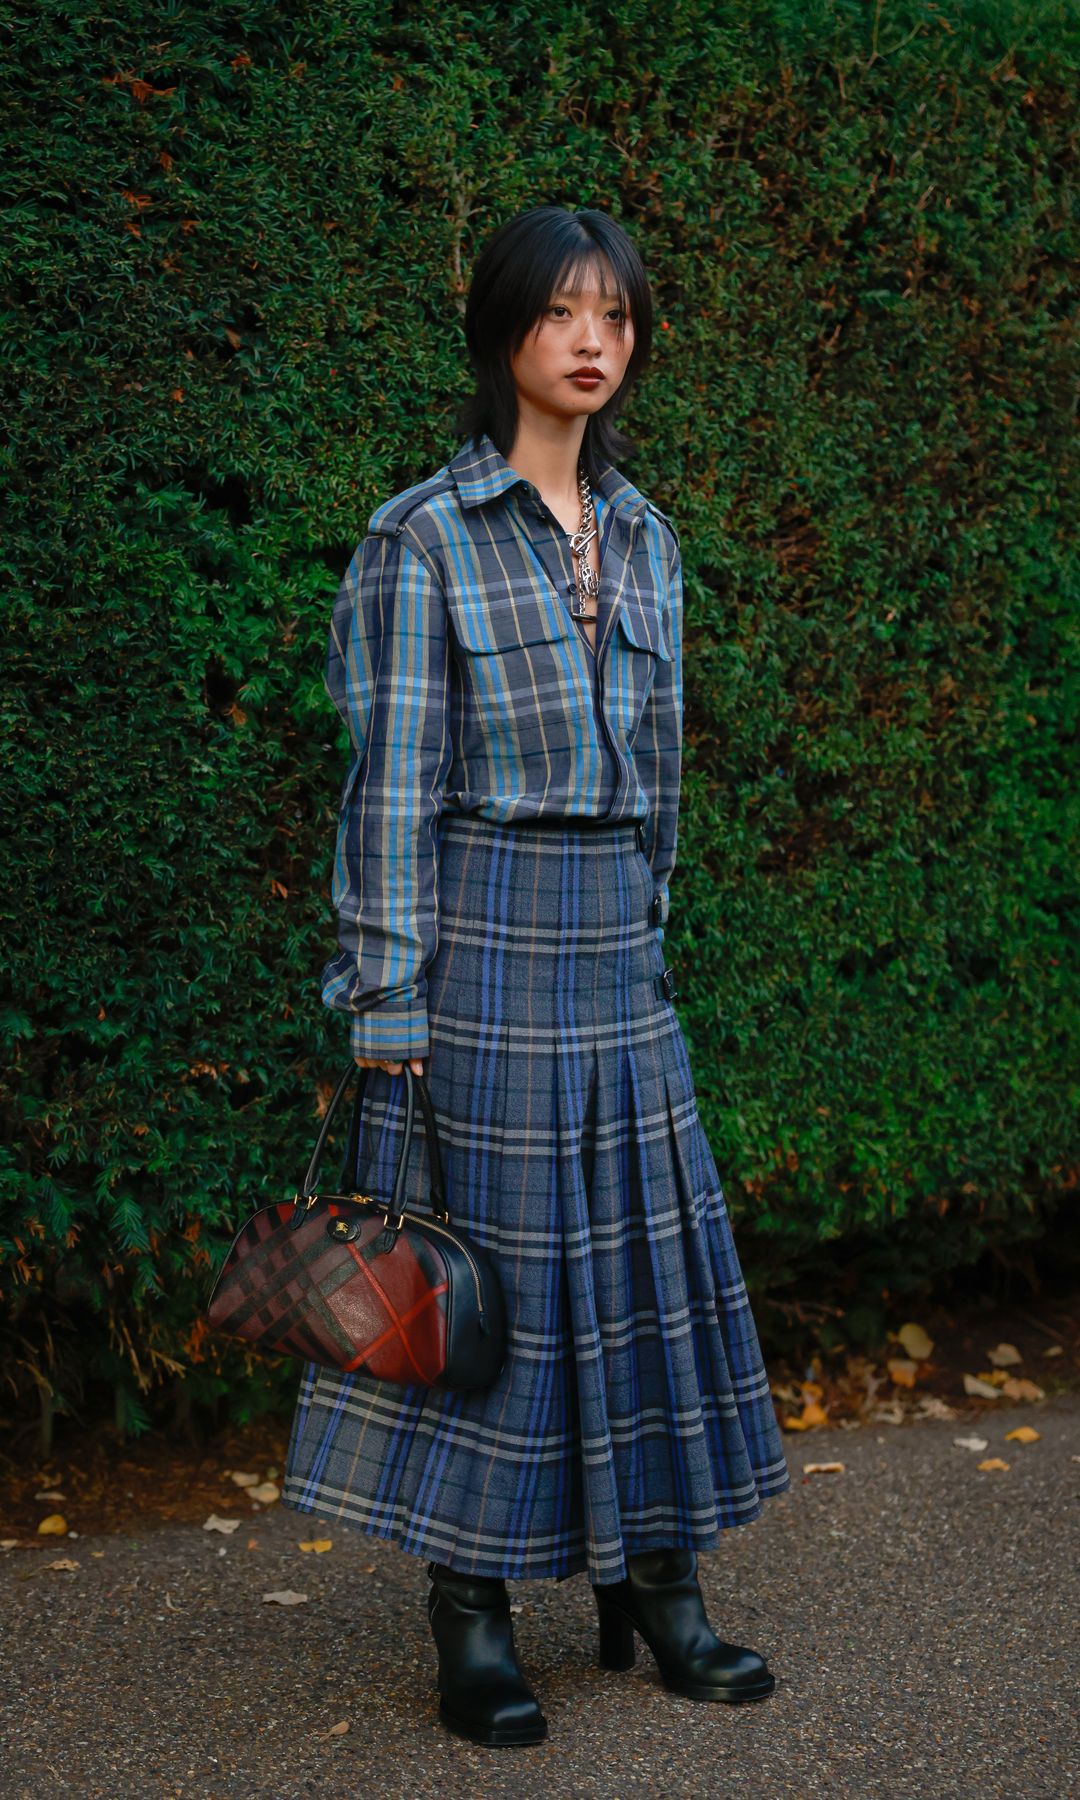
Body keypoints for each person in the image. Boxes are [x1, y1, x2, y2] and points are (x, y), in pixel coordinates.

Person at [281, 204, 792, 1747]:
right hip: (485, 942)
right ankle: (473, 1616)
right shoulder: (421, 537)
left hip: (615, 949)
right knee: (488, 1284)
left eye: (615, 317)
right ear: (503, 327)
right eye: (563, 311)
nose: (591, 341)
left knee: (642, 1279)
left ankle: (661, 1588)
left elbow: (666, 775)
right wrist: (388, 996)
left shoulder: (649, 540)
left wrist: (649, 926)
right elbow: (389, 786)